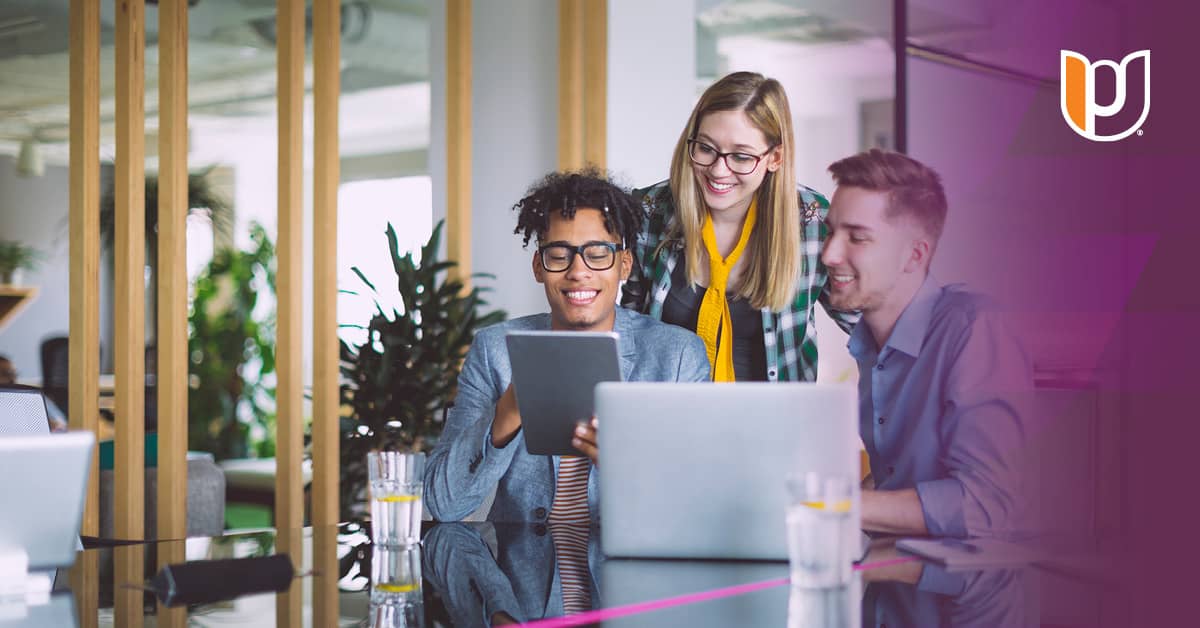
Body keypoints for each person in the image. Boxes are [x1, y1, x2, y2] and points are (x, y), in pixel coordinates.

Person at [424, 170, 710, 526]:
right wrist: (509, 409)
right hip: (522, 576)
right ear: (538, 267)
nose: (578, 271)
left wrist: (629, 466)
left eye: (597, 254)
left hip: (624, 571)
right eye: (559, 255)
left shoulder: (678, 357)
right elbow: (443, 504)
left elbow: (700, 504)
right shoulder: (494, 350)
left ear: (624, 265)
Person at [821, 149, 1031, 539]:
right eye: (830, 232)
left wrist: (828, 506)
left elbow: (989, 503)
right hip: (899, 584)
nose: (829, 254)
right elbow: (899, 479)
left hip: (969, 593)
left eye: (857, 237)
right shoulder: (869, 344)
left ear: (914, 255)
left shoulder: (973, 330)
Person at [621, 71, 858, 382]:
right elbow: (628, 329)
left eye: (741, 157)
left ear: (775, 157)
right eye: (706, 148)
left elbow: (868, 324)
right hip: (667, 420)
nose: (719, 170)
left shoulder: (812, 221)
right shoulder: (651, 210)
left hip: (775, 423)